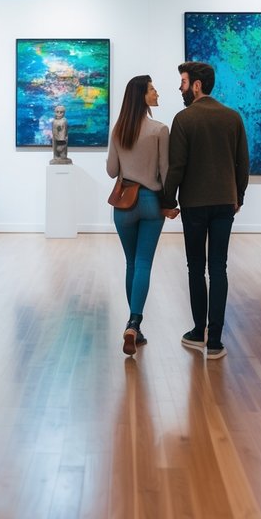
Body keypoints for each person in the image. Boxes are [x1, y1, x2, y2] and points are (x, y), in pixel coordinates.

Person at [161, 61, 249, 360]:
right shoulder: (232, 117)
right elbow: (243, 163)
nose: (181, 87)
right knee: (219, 267)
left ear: (197, 85)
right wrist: (238, 195)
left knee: (196, 267)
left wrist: (167, 201)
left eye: (183, 82)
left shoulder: (184, 119)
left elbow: (177, 166)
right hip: (225, 202)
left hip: (195, 204)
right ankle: (216, 342)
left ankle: (199, 332)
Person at [106, 75, 169, 356]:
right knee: (144, 262)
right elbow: (166, 172)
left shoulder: (119, 129)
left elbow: (111, 170)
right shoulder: (159, 130)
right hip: (151, 202)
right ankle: (134, 322)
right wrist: (170, 202)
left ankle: (135, 326)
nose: (157, 93)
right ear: (142, 96)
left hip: (124, 204)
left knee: (131, 262)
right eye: (153, 89)